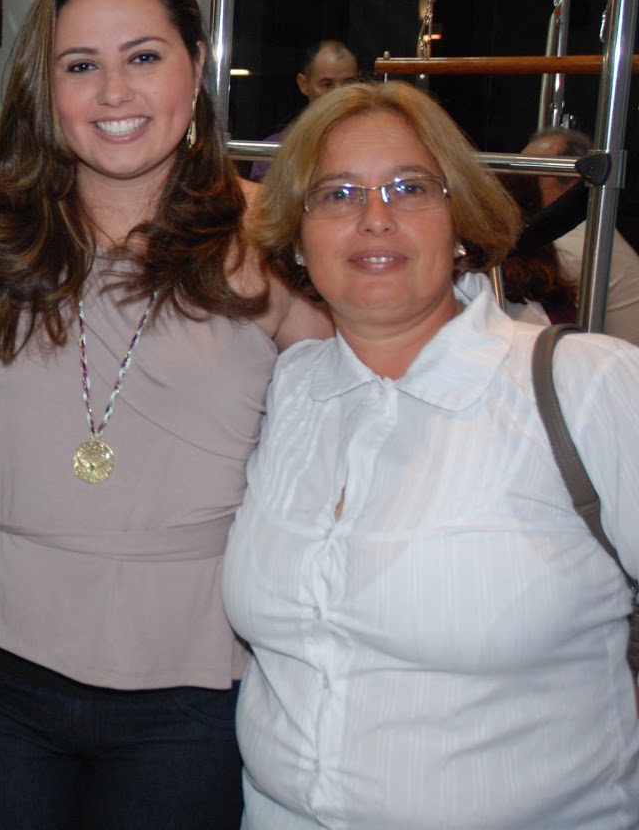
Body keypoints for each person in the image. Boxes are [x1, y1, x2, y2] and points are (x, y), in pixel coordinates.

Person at [0, 0, 331, 830]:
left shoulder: (276, 239)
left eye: (143, 56)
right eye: (81, 65)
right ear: (46, 87)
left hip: (190, 686)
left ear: (196, 64)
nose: (114, 92)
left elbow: (340, 449)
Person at [228, 81, 639, 829]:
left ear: (461, 225)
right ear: (297, 240)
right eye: (337, 193)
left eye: (410, 188)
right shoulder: (286, 393)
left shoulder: (585, 387)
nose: (374, 217)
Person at [521, 126, 639, 344]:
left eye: (531, 176)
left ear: (574, 182)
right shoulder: (594, 228)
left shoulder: (575, 240)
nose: (517, 186)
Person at [251, 40, 359, 180]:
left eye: (348, 83)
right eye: (327, 84)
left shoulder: (374, 144)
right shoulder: (273, 150)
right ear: (304, 84)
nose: (338, 94)